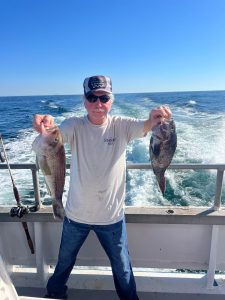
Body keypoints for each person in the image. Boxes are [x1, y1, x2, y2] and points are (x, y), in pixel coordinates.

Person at [33, 75, 172, 300]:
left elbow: (146, 126)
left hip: (112, 217)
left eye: (104, 98)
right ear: (84, 100)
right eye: (92, 97)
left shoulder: (122, 125)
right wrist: (45, 126)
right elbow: (56, 137)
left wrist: (155, 118)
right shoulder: (74, 125)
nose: (98, 104)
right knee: (64, 262)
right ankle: (55, 294)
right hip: (76, 214)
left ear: (112, 99)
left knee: (123, 269)